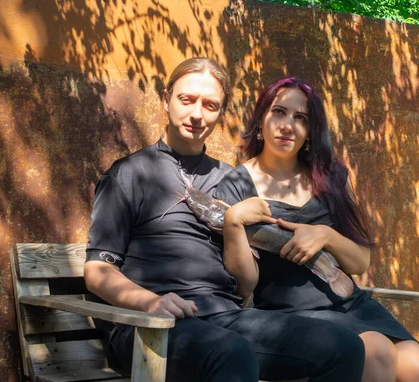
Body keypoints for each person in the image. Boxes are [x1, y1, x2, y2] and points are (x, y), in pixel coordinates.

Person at [84, 58, 366, 382]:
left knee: (344, 346)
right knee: (232, 352)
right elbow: (97, 270)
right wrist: (149, 303)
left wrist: (236, 225)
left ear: (221, 113)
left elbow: (246, 284)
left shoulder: (231, 180)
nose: (196, 114)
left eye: (210, 105)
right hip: (152, 326)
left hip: (225, 317)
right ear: (166, 99)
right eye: (186, 100)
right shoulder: (129, 174)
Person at [215, 76, 419, 382]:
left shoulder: (330, 177)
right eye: (278, 112)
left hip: (353, 306)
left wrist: (327, 236)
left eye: (300, 118)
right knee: (377, 352)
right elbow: (244, 284)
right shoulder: (237, 184)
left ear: (310, 131)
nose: (287, 126)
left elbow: (360, 263)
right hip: (292, 315)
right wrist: (234, 223)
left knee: (418, 370)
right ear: (261, 120)